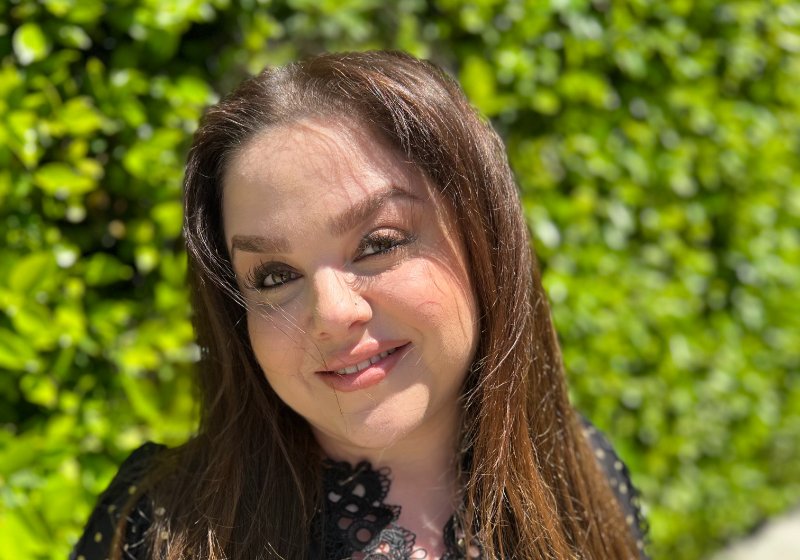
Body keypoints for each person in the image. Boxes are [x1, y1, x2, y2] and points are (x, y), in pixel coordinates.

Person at [72, 50, 647, 560]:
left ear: (485, 241)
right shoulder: (154, 528)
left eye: (378, 244)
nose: (332, 313)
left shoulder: (585, 480)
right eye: (274, 276)